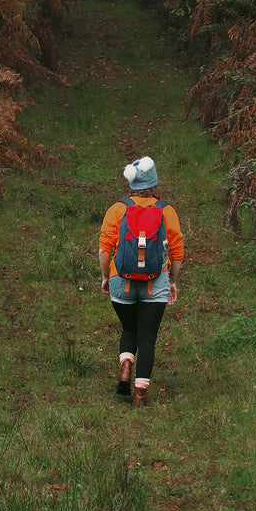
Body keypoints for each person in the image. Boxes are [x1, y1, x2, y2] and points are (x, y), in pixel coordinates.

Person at [98, 156, 183, 407]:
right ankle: (139, 396)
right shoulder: (166, 211)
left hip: (120, 281)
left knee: (129, 328)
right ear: (155, 182)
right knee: (147, 336)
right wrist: (173, 281)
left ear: (131, 183)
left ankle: (125, 365)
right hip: (155, 281)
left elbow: (104, 250)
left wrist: (106, 276)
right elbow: (176, 251)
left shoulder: (117, 209)